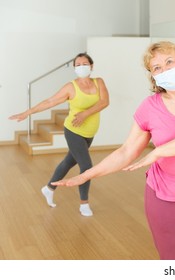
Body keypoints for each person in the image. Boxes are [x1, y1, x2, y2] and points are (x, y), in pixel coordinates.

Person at [52, 41, 175, 260]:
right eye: (157, 67)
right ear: (152, 76)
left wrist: (156, 153)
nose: (165, 69)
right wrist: (86, 174)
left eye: (169, 61)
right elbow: (126, 152)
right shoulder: (149, 107)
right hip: (165, 194)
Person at [9, 53, 110, 217]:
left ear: (91, 66)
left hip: (89, 132)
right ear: (74, 68)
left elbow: (104, 102)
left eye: (85, 63)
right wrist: (27, 112)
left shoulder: (99, 82)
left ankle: (48, 188)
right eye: (78, 64)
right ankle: (84, 203)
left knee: (69, 161)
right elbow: (49, 102)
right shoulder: (71, 87)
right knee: (86, 166)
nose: (81, 66)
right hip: (73, 131)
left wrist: (85, 114)